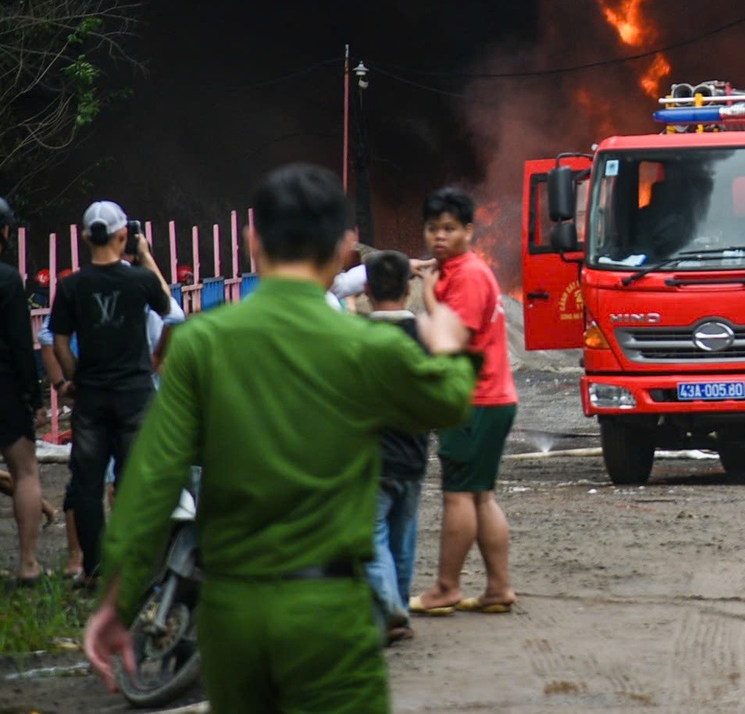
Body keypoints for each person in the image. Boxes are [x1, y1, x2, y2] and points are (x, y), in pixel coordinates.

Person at [85, 164, 476, 713]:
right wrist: (445, 339)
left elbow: (151, 482)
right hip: (331, 612)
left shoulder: (201, 345)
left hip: (231, 613)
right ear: (344, 248)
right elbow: (452, 400)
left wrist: (118, 605)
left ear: (252, 241)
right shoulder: (366, 345)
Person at [48, 201, 174, 581]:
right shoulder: (140, 280)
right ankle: (138, 566)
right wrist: (156, 357)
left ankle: (94, 569)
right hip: (135, 393)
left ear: (86, 237)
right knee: (135, 480)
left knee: (87, 483)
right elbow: (169, 311)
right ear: (123, 236)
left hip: (91, 397)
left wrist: (72, 380)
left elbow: (60, 342)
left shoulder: (71, 286)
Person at [413, 187, 519, 615]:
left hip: (474, 400)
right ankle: (497, 589)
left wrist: (427, 300)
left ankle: (445, 588)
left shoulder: (470, 277)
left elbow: (445, 343)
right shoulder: (458, 270)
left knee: (459, 495)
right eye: (433, 229)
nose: (440, 237)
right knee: (481, 496)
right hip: (491, 397)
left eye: (450, 229)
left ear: (470, 231)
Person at [361, 251, 428, 643]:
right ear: (408, 288)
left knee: (373, 537)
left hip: (374, 459)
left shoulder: (358, 338)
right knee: (404, 540)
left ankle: (389, 608)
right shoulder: (424, 336)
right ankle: (399, 607)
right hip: (414, 458)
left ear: (367, 290)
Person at [0, 197, 48, 583]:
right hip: (5, 389)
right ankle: (29, 563)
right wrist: (35, 397)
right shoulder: (7, 279)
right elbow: (21, 343)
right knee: (26, 472)